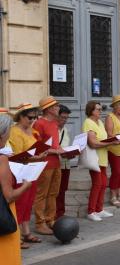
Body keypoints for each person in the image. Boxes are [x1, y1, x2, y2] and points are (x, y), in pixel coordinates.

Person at [0, 113, 33, 265]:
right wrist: (27, 183)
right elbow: (9, 195)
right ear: (4, 133)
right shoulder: (2, 158)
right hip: (3, 217)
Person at [8, 103, 47, 249]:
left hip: (32, 169)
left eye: (35, 117)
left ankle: (26, 231)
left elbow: (35, 148)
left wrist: (42, 153)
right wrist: (36, 157)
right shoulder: (14, 132)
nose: (33, 120)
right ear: (21, 117)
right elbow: (17, 156)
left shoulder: (32, 130)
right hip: (19, 171)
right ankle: (15, 235)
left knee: (29, 201)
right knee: (20, 203)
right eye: (30, 117)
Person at [33, 96, 65, 235]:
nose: (58, 108)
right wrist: (55, 150)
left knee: (53, 193)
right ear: (50, 109)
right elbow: (36, 147)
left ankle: (50, 219)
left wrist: (64, 151)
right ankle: (40, 223)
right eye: (56, 106)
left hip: (56, 163)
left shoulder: (55, 123)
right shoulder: (39, 124)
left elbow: (54, 145)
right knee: (41, 194)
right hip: (44, 164)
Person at [83, 101, 118, 221]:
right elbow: (93, 143)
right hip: (94, 159)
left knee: (103, 184)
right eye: (98, 109)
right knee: (97, 184)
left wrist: (115, 139)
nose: (100, 111)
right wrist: (111, 142)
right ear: (91, 111)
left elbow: (103, 139)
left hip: (102, 158)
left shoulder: (100, 122)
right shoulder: (88, 123)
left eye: (100, 109)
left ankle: (99, 209)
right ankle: (91, 211)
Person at [56, 104, 72, 218]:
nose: (65, 120)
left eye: (67, 118)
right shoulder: (53, 129)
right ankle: (55, 213)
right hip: (56, 164)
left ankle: (61, 212)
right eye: (63, 117)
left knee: (63, 189)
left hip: (66, 164)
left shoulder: (65, 130)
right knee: (56, 190)